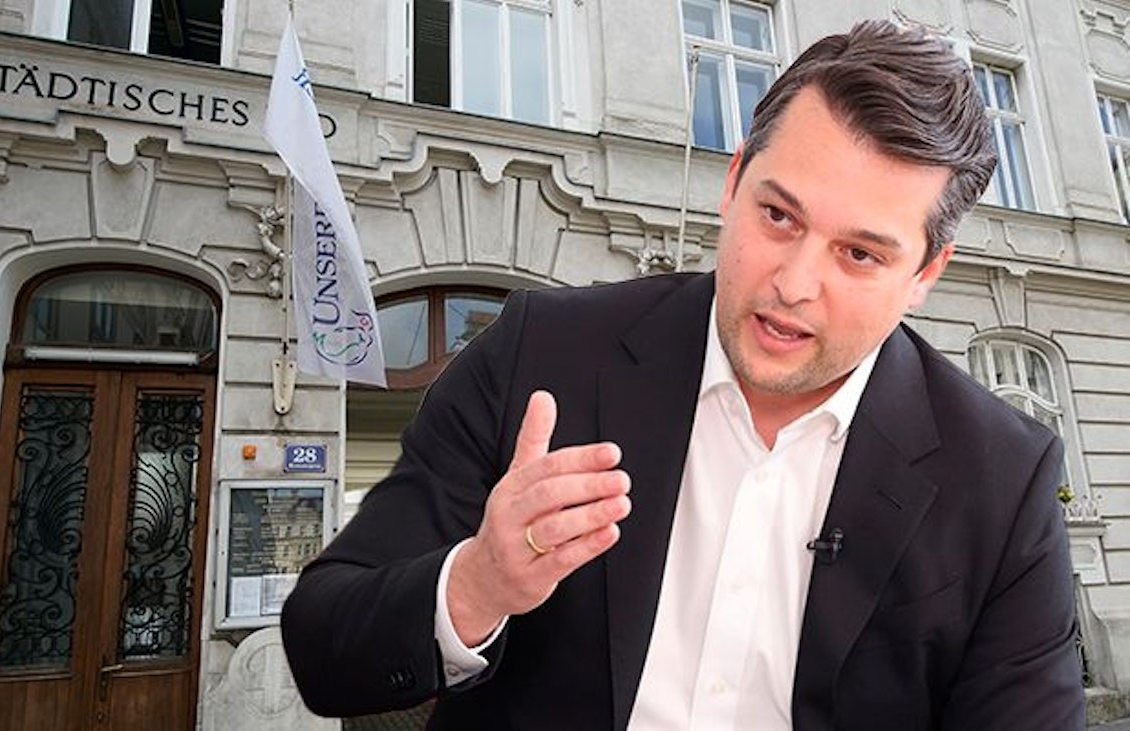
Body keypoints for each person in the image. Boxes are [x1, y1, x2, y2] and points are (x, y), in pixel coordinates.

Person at [281, 19, 1084, 730]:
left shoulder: (1002, 479)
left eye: (860, 254)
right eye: (778, 215)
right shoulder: (543, 354)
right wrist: (476, 584)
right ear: (733, 182)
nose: (794, 283)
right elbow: (321, 643)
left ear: (925, 273)